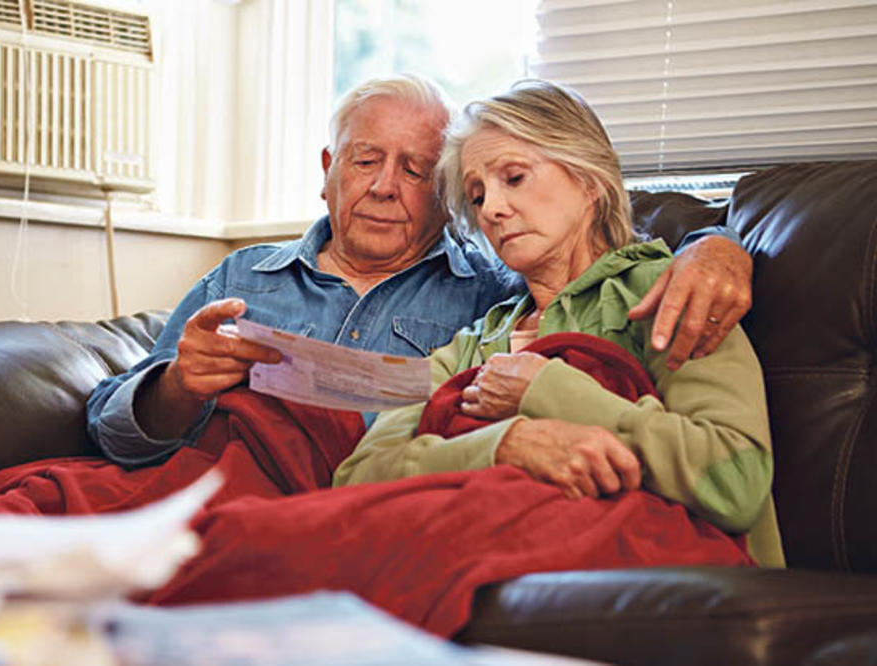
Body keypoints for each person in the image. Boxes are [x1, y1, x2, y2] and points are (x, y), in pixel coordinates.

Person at [87, 74, 754, 469]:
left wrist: (719, 240)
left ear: (442, 198)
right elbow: (108, 431)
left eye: (414, 171)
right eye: (365, 160)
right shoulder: (240, 279)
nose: (383, 187)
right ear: (327, 170)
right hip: (201, 490)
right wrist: (177, 386)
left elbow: (599, 265)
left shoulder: (489, 293)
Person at [332, 80, 783, 568]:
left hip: (666, 585)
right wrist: (503, 446)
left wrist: (548, 390)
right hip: (501, 569)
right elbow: (360, 477)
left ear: (589, 179)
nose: (494, 210)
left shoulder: (665, 292)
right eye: (477, 195)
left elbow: (737, 482)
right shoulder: (475, 342)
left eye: (516, 177)